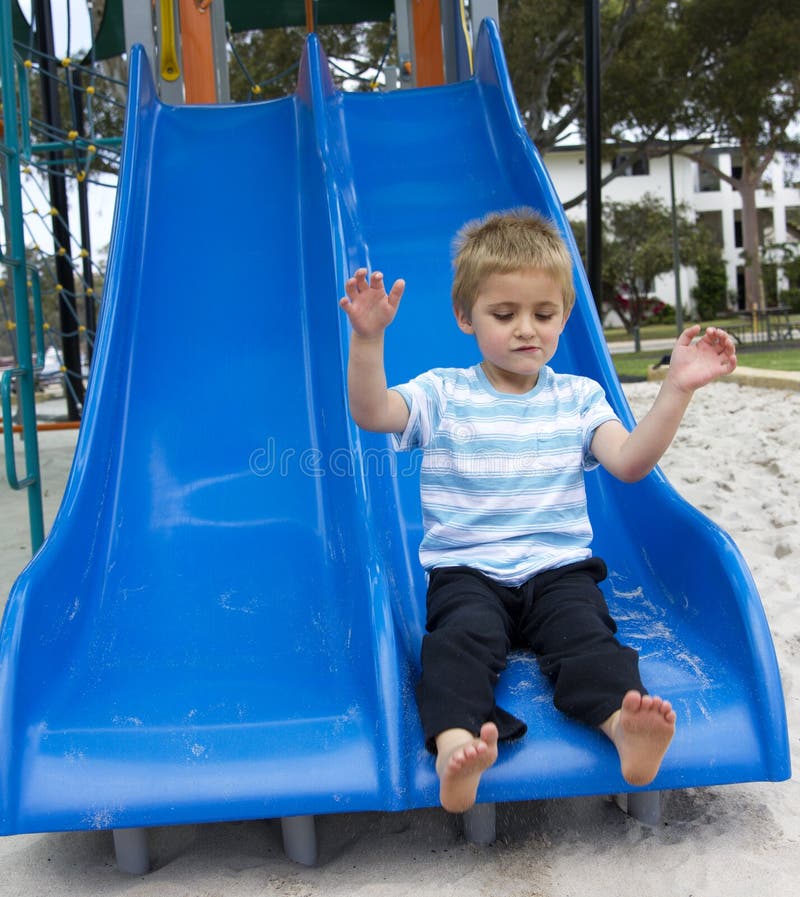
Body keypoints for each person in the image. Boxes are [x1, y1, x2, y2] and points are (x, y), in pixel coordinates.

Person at [339, 209, 737, 814]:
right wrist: (368, 340)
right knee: (454, 648)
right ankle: (455, 749)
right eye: (504, 315)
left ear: (565, 316)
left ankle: (624, 729)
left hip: (559, 571)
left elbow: (629, 462)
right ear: (465, 316)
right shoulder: (443, 393)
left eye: (543, 315)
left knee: (591, 643)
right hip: (468, 572)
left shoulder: (579, 398)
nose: (526, 329)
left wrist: (675, 390)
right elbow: (372, 413)